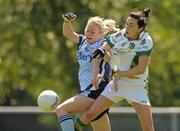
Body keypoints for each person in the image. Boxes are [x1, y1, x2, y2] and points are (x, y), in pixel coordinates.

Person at [74, 9, 155, 131]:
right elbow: (100, 51)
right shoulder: (121, 34)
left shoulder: (146, 41)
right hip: (117, 84)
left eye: (131, 25)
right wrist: (96, 73)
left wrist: (120, 74)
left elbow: (140, 68)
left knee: (148, 128)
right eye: (126, 24)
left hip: (136, 86)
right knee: (89, 115)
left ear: (140, 28)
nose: (127, 27)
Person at [56, 12, 119, 131]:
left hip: (96, 90)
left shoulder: (103, 44)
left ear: (101, 35)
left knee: (61, 110)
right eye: (87, 30)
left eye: (92, 32)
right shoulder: (83, 42)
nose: (88, 34)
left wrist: (106, 55)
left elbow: (109, 57)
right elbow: (68, 33)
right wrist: (66, 21)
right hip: (88, 90)